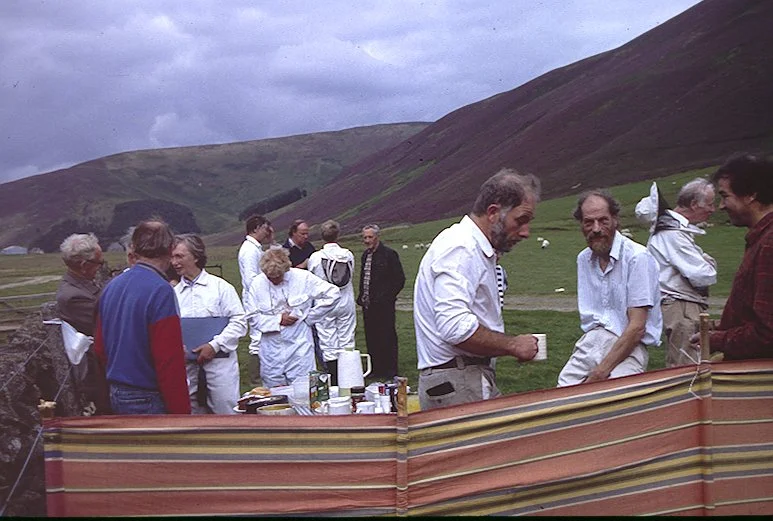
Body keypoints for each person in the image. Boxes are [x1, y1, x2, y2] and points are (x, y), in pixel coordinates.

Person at [414, 169, 540, 410]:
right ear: (493, 213)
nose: (525, 232)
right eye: (521, 220)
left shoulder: (470, 248)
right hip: (459, 382)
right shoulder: (462, 249)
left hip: (459, 379)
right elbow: (455, 327)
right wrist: (513, 345)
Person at [557, 190, 662, 387]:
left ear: (615, 220)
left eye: (603, 220)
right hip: (591, 342)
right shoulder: (584, 259)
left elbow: (637, 327)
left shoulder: (637, 258)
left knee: (613, 401)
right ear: (581, 224)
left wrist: (600, 372)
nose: (596, 229)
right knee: (561, 399)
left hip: (627, 347)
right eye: (589, 222)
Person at [94, 220, 190, 415]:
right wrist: (181, 413)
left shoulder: (112, 286)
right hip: (148, 396)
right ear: (170, 249)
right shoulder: (160, 290)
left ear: (134, 248)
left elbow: (99, 347)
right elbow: (169, 360)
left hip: (117, 391)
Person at [690, 153, 773, 359]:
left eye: (725, 196)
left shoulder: (769, 244)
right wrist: (721, 327)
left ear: (751, 194)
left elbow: (767, 333)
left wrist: (716, 339)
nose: (720, 205)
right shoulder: (761, 239)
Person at [645, 179, 717, 367]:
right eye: (709, 204)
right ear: (694, 204)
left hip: (680, 304)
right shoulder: (673, 234)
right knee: (688, 364)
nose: (713, 209)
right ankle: (690, 396)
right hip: (682, 306)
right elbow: (704, 274)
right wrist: (709, 262)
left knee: (682, 360)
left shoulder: (673, 231)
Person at [172, 234, 247, 414]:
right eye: (172, 256)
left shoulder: (221, 288)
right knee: (190, 415)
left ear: (196, 256)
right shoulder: (173, 294)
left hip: (219, 366)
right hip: (187, 367)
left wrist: (215, 345)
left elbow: (239, 322)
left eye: (179, 256)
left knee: (226, 413)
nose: (174, 262)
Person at [244, 247, 340, 387]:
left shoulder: (302, 277)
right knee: (274, 397)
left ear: (286, 269)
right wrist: (277, 320)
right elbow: (252, 317)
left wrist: (309, 318)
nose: (274, 281)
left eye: (278, 277)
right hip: (271, 350)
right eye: (270, 278)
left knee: (304, 393)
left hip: (299, 348)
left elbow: (333, 294)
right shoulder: (257, 284)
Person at [56, 233, 110, 414]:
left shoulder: (82, 285)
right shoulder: (74, 297)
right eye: (99, 263)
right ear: (84, 265)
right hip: (96, 374)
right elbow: (106, 326)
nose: (101, 267)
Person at [307, 220, 356, 385]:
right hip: (346, 300)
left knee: (328, 341)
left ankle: (334, 380)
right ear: (338, 234)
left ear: (322, 236)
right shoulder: (348, 255)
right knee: (347, 339)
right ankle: (349, 378)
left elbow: (312, 278)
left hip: (325, 302)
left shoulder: (315, 257)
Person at [357, 224, 406, 381]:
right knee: (372, 337)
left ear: (377, 237)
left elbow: (399, 279)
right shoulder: (365, 256)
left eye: (370, 237)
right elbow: (363, 278)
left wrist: (387, 297)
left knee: (387, 336)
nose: (367, 240)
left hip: (384, 305)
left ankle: (391, 369)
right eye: (364, 237)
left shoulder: (389, 255)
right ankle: (376, 368)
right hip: (368, 304)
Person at [238, 214, 273, 387]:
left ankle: (263, 376)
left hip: (258, 298)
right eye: (265, 228)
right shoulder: (250, 250)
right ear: (256, 228)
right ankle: (256, 380)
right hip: (255, 300)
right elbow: (251, 278)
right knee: (257, 338)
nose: (267, 232)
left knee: (261, 337)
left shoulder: (254, 248)